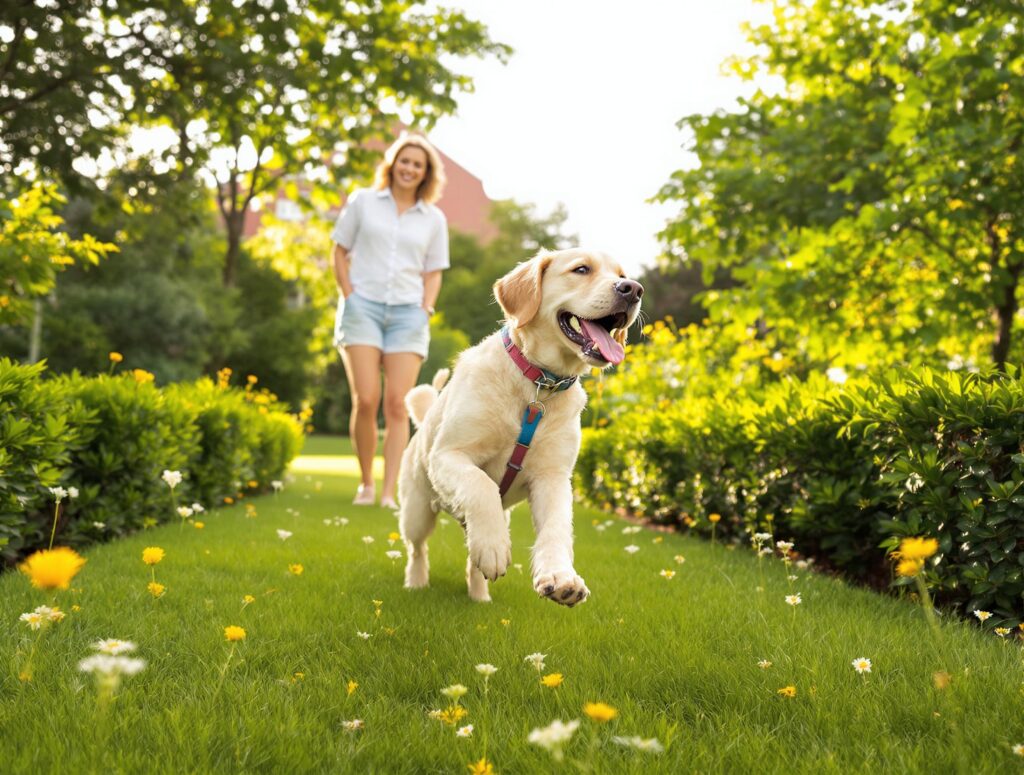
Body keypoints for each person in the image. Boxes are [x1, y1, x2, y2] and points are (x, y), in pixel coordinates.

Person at [331, 133, 449, 509]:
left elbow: (434, 271)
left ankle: (388, 492)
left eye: (418, 164)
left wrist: (425, 308)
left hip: (407, 315)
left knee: (398, 404)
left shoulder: (434, 219)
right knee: (366, 399)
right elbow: (339, 251)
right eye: (405, 161)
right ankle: (366, 484)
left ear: (426, 173)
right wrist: (349, 296)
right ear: (393, 163)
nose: (409, 169)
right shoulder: (364, 202)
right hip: (362, 307)